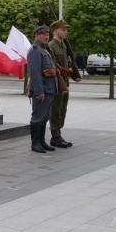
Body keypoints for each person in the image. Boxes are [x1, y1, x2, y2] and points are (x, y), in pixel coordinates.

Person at [48, 20, 80, 148]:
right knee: (56, 109)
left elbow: (69, 63)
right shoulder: (51, 46)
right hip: (57, 82)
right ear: (56, 31)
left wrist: (74, 75)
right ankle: (55, 136)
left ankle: (58, 134)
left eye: (66, 30)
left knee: (62, 109)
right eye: (63, 30)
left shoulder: (64, 45)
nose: (66, 32)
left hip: (65, 82)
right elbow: (55, 65)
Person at [27, 26, 58, 153]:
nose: (46, 37)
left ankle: (42, 141)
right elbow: (35, 73)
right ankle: (35, 143)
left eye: (47, 35)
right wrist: (39, 92)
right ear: (36, 35)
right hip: (43, 90)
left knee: (45, 117)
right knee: (37, 117)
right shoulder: (35, 51)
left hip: (49, 89)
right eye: (43, 35)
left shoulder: (44, 50)